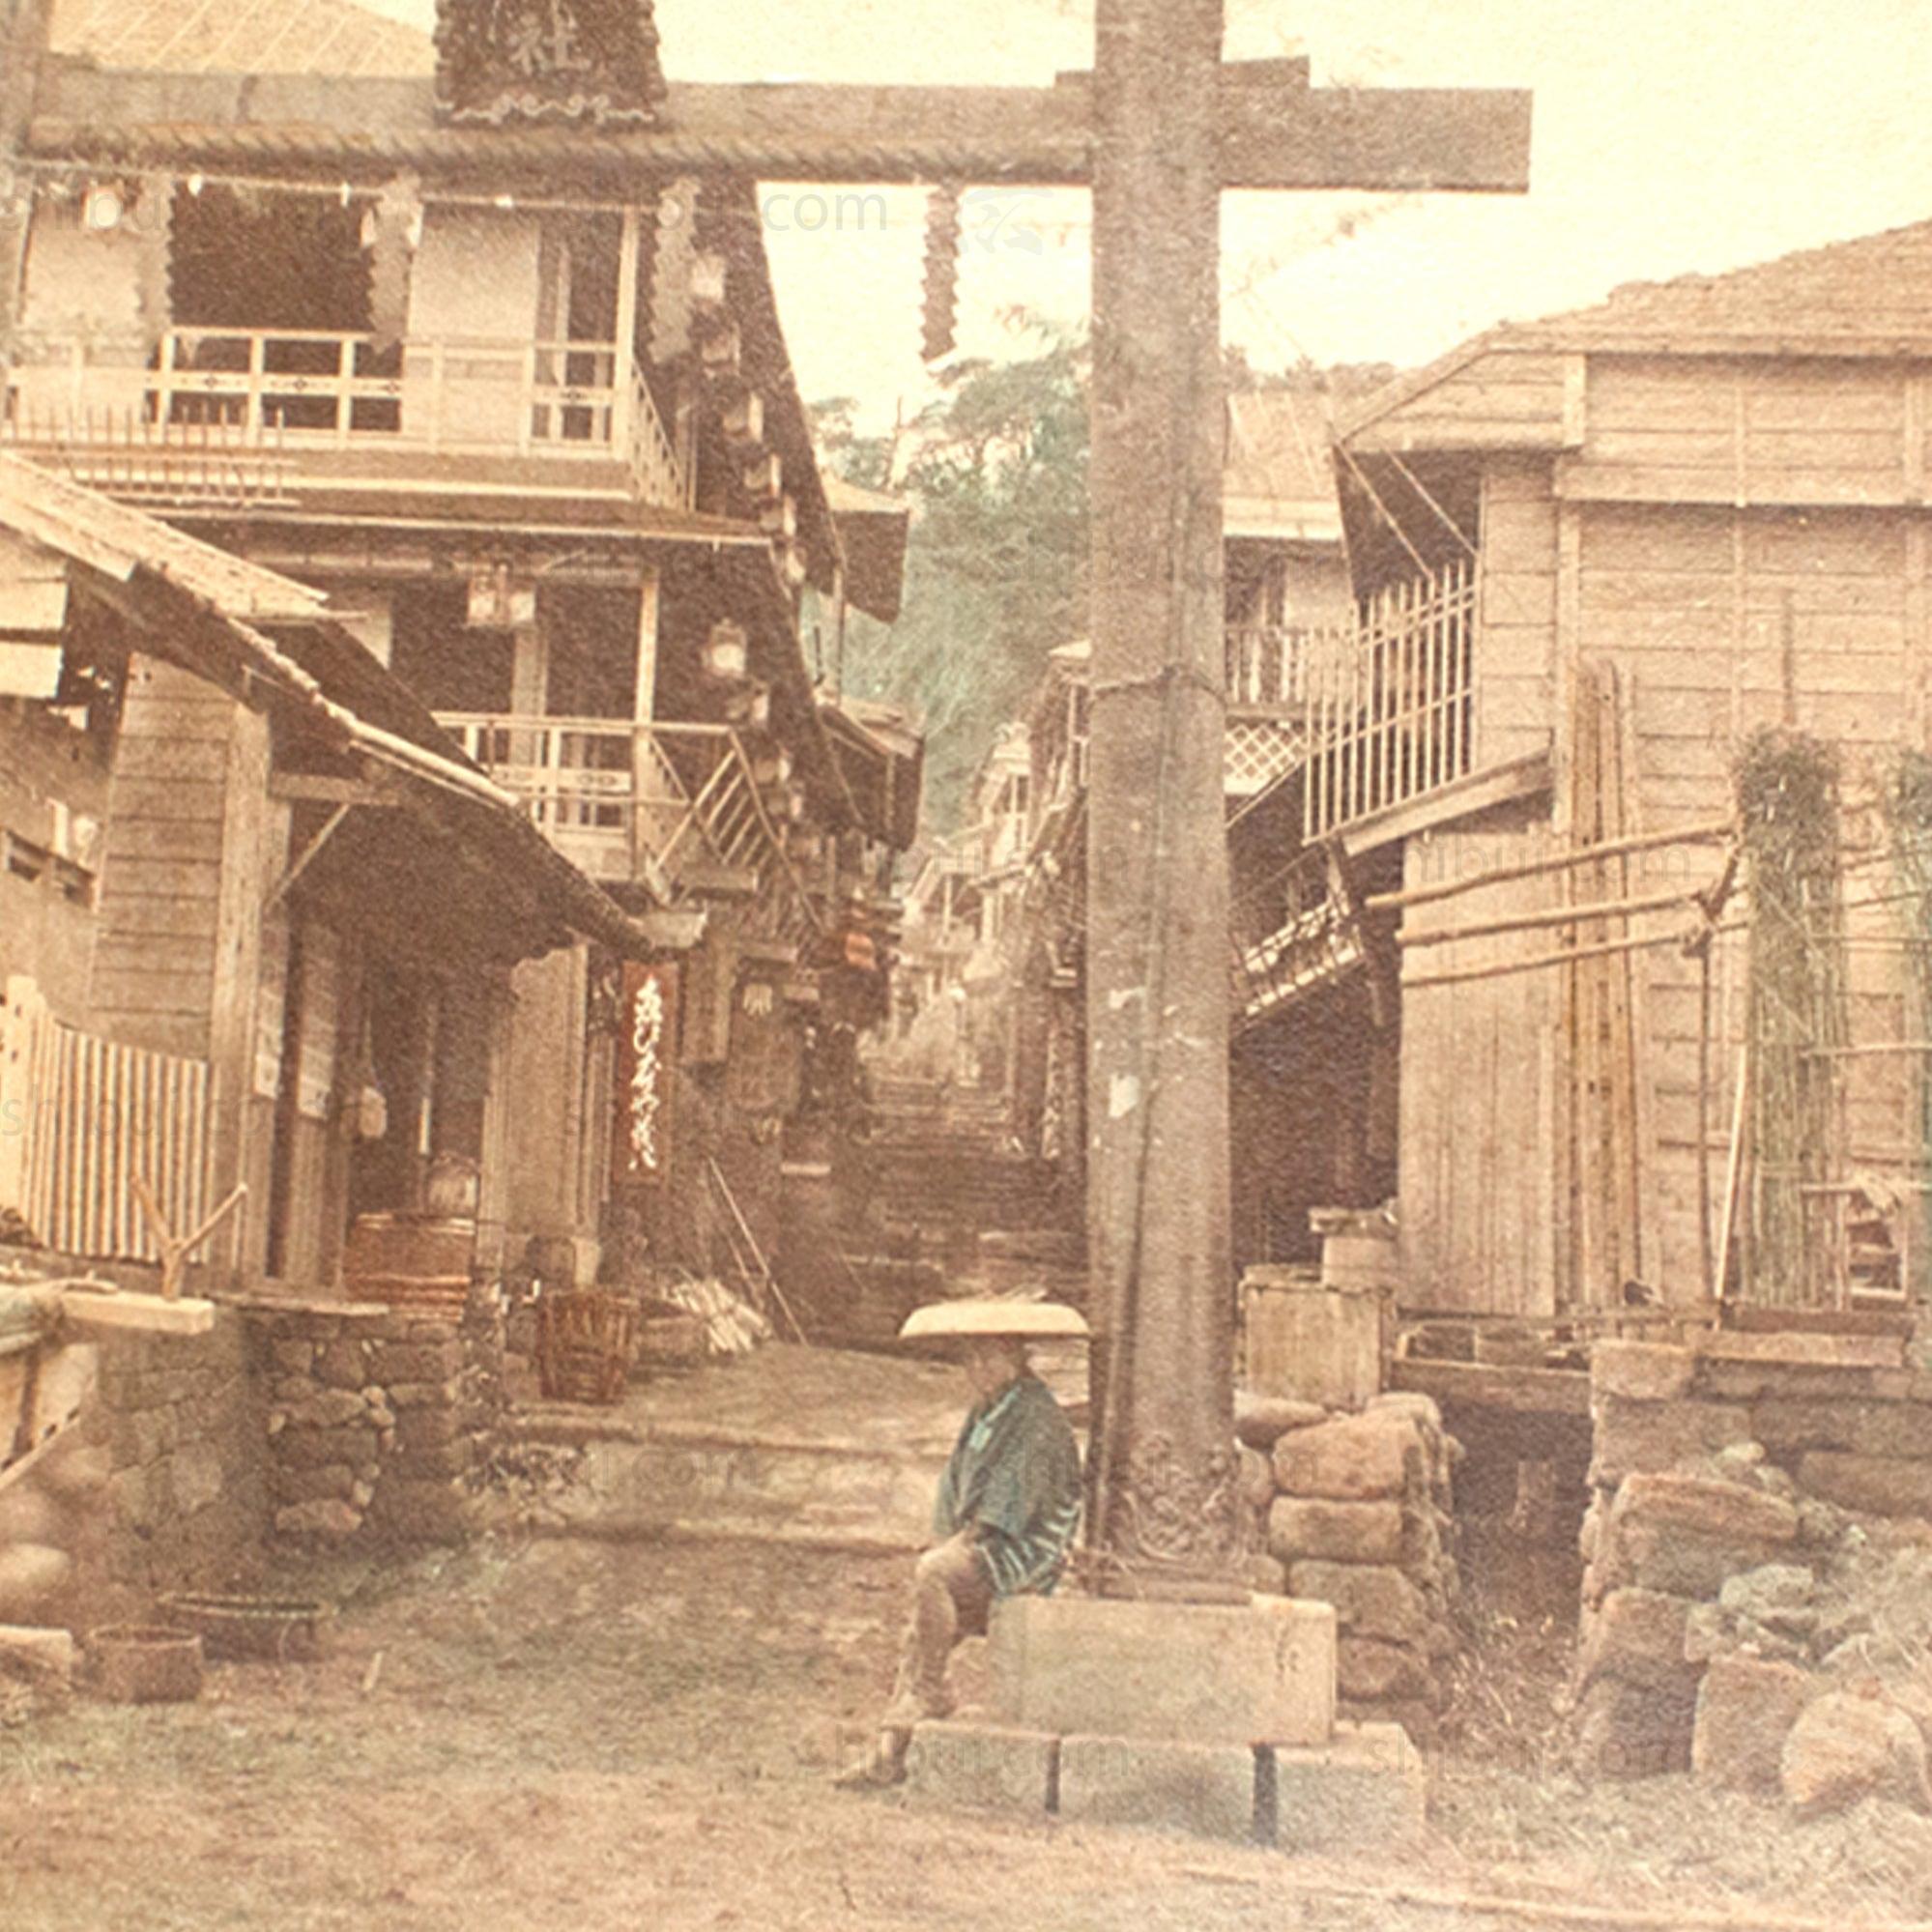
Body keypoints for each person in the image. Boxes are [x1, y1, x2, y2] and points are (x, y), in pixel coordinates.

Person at [834, 1299, 1086, 1788]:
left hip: (1027, 1548)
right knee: (919, 1633)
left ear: (1015, 1359)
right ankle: (889, 1754)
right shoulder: (988, 1411)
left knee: (935, 1575)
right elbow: (955, 1482)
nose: (977, 1369)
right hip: (985, 1540)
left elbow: (1017, 1498)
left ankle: (930, 1693)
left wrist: (962, 1542)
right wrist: (947, 1535)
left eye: (988, 1357)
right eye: (970, 1358)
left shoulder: (1038, 1419)